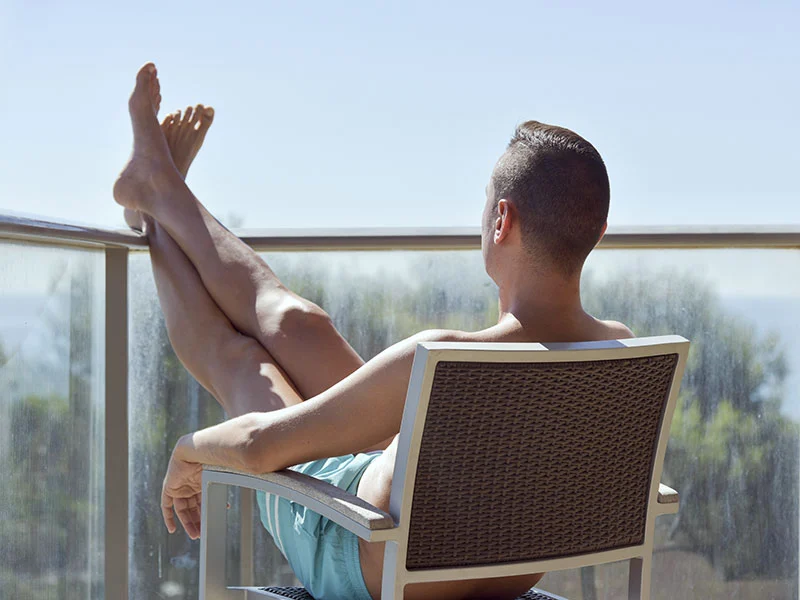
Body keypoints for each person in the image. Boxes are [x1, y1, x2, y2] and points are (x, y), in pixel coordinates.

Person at [115, 62, 633, 600]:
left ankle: (154, 207)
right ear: (597, 231)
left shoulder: (442, 360)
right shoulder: (618, 351)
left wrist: (187, 449)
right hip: (444, 519)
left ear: (502, 220)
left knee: (244, 362)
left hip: (356, 540)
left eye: (485, 201)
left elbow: (255, 447)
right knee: (300, 325)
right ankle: (159, 191)